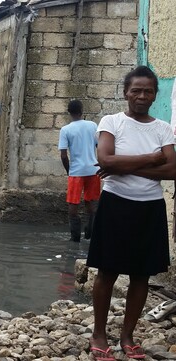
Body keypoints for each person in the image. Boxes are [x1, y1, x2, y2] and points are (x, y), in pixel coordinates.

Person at [87, 66, 175, 361]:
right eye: (135, 90)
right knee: (107, 271)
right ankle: (99, 334)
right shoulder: (112, 122)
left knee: (141, 275)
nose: (141, 96)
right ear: (126, 92)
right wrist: (151, 158)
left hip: (150, 208)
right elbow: (105, 158)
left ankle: (127, 336)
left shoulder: (163, 128)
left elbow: (173, 169)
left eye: (147, 91)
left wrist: (122, 165)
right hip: (116, 204)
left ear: (154, 95)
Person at [58, 99, 99, 242]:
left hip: (76, 172)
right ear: (82, 111)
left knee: (73, 205)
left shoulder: (65, 130)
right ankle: (90, 234)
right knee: (92, 202)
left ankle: (75, 238)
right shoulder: (93, 125)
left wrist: (69, 171)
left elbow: (63, 155)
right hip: (94, 170)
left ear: (69, 112)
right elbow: (99, 145)